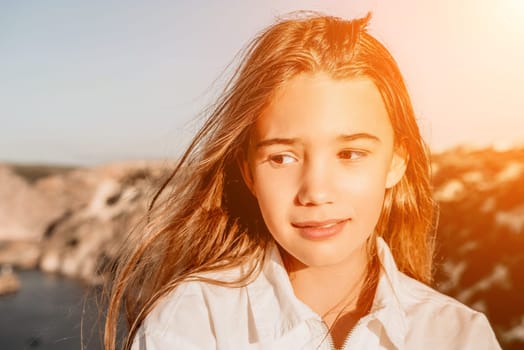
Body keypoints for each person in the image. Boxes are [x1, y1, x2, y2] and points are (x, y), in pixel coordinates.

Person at [104, 12, 501, 350]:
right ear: (248, 172)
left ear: (396, 162)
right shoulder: (192, 322)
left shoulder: (457, 336)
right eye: (282, 157)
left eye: (350, 154)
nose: (316, 191)